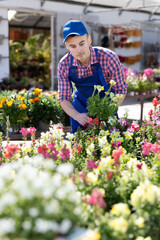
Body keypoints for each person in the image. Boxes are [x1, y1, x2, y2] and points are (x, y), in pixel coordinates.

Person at [58, 20, 127, 133]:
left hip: (106, 106)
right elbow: (64, 98)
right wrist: (77, 116)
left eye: (82, 44)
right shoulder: (64, 64)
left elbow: (121, 90)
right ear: (67, 47)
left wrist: (106, 112)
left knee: (110, 145)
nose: (79, 50)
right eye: (73, 46)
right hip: (80, 109)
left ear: (89, 40)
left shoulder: (108, 57)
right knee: (80, 147)